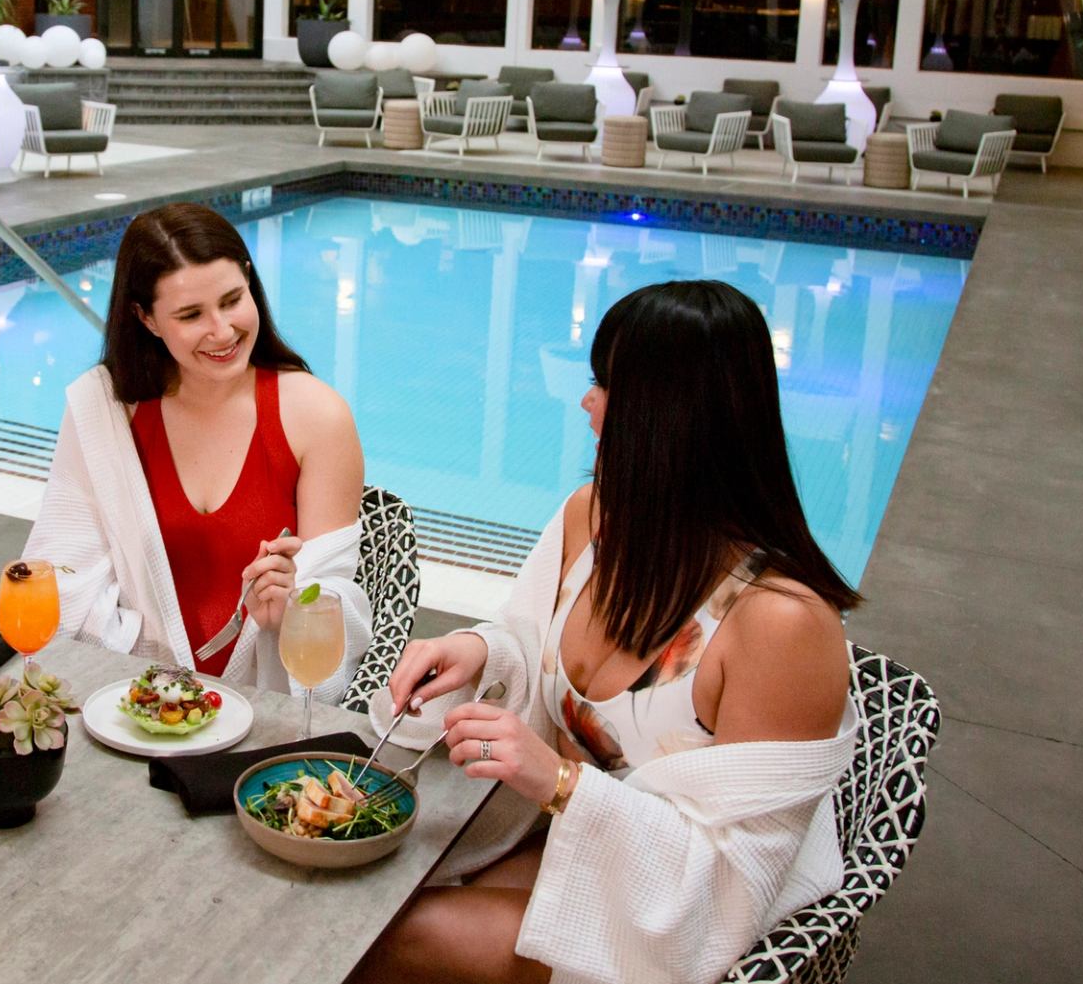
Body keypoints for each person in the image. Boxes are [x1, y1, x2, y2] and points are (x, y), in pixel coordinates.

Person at [354, 280, 861, 984]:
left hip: (678, 929)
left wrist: (559, 780)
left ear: (668, 417)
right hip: (591, 853)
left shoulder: (780, 626)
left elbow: (735, 877)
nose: (587, 401)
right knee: (362, 887)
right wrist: (478, 650)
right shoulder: (593, 519)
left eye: (603, 383)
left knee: (384, 936)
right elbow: (528, 643)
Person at [25, 202, 371, 700]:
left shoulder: (318, 416)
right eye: (191, 315)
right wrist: (160, 685)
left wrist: (292, 609)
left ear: (250, 281)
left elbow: (336, 596)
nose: (223, 331)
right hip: (129, 702)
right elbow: (60, 578)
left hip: (262, 718)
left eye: (232, 300)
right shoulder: (105, 411)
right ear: (145, 318)